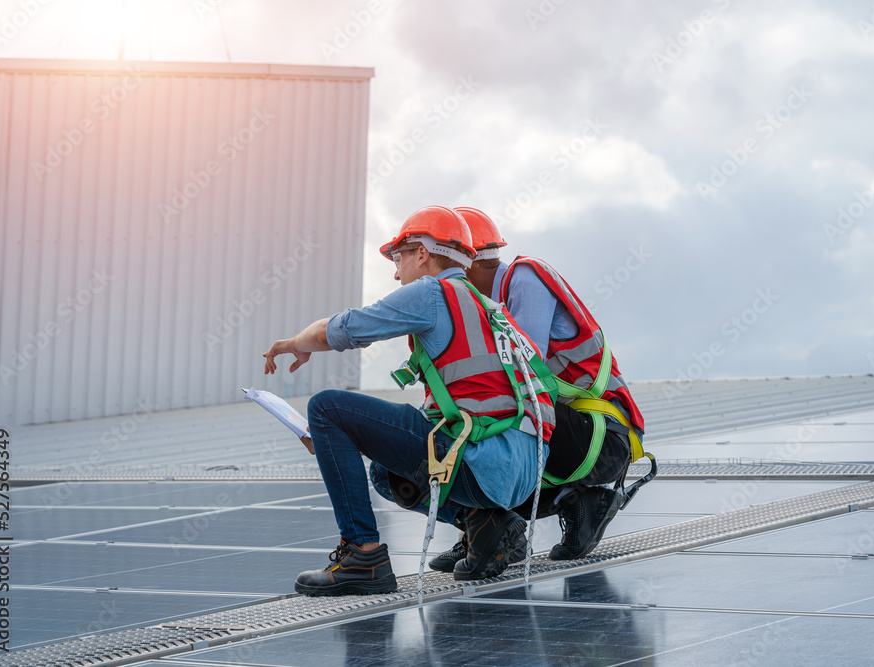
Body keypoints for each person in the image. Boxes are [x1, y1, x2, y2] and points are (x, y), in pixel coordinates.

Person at [262, 205, 555, 597]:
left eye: (398, 257)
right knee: (385, 473)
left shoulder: (433, 293)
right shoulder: (490, 308)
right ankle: (486, 523)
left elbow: (345, 328)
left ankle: (362, 556)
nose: (396, 272)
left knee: (327, 408)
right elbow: (463, 405)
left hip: (486, 462)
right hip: (525, 470)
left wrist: (293, 344)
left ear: (422, 252)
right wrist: (337, 441)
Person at [429, 207, 648, 566]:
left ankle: (489, 524)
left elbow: (522, 379)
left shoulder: (525, 279)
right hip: (572, 432)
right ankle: (490, 526)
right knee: (465, 428)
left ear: (467, 266)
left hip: (602, 436)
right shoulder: (490, 304)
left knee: (491, 416)